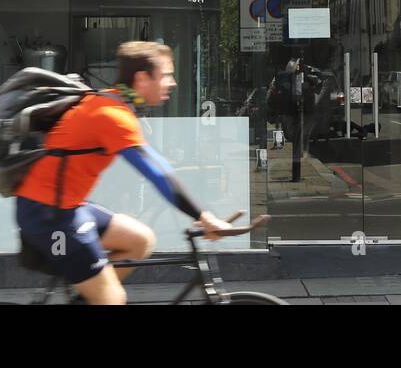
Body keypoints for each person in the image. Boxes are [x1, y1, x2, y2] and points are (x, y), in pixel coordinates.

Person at [14, 40, 236, 305]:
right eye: (166, 75)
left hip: (69, 207)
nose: (173, 82)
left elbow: (158, 165)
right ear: (143, 78)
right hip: (48, 216)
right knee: (113, 299)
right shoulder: (111, 115)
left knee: (140, 241)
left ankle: (89, 296)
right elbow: (157, 173)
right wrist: (204, 217)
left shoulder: (111, 102)